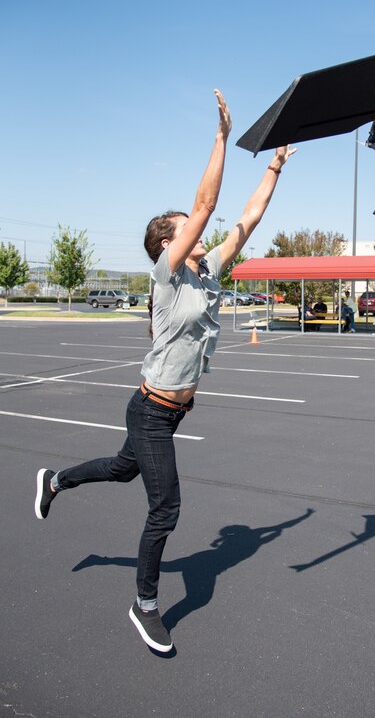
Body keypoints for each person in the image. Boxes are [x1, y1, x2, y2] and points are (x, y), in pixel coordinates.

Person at [34, 89, 296, 653]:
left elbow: (245, 220)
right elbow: (204, 204)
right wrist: (222, 137)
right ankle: (144, 604)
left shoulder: (207, 272)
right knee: (166, 506)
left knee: (124, 469)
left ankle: (55, 480)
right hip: (153, 410)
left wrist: (273, 167)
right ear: (166, 244)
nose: (200, 228)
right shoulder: (168, 275)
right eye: (186, 227)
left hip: (172, 410)